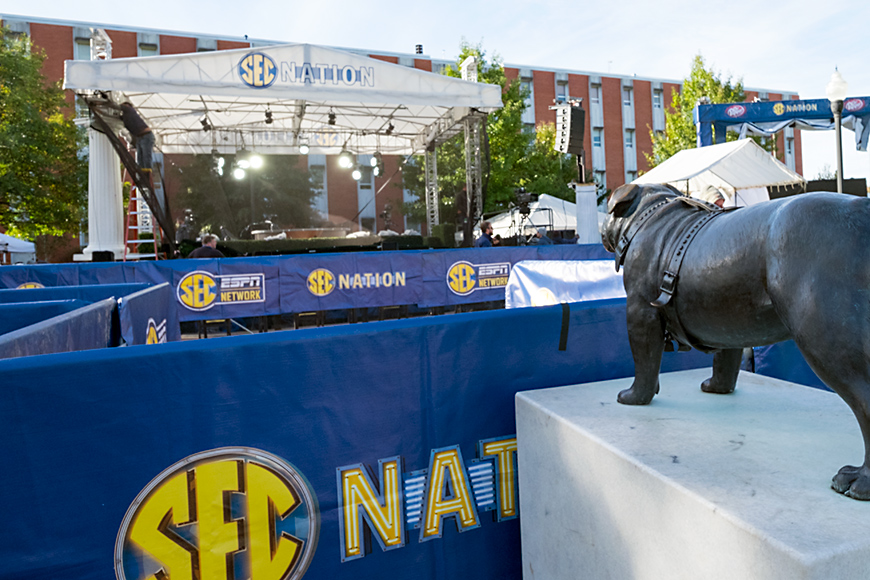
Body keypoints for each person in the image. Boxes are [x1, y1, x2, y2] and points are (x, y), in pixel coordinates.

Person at [119, 101, 155, 170]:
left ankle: (147, 175)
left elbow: (123, 107)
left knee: (146, 158)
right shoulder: (125, 117)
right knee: (139, 159)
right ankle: (142, 174)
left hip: (146, 136)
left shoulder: (130, 110)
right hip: (140, 137)